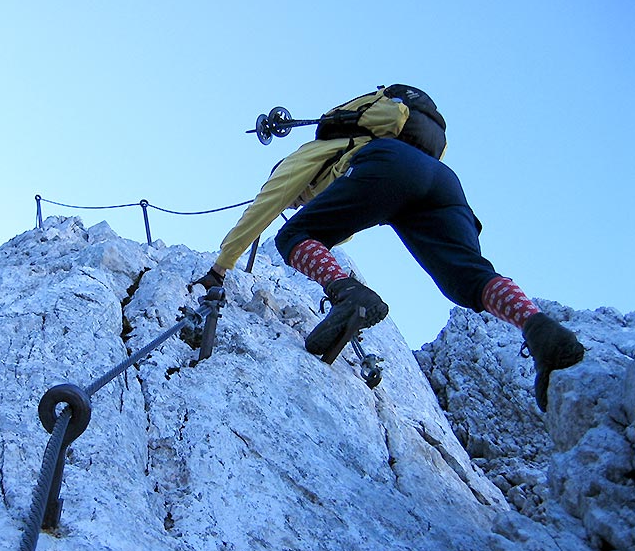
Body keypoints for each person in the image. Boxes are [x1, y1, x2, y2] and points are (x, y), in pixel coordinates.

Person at [192, 85, 584, 411]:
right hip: (443, 182)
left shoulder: (309, 155)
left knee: (292, 237)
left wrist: (221, 267)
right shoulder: (375, 148)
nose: (298, 202)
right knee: (467, 279)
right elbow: (346, 223)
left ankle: (349, 295)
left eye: (299, 199)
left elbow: (266, 205)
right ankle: (538, 328)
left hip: (387, 166)